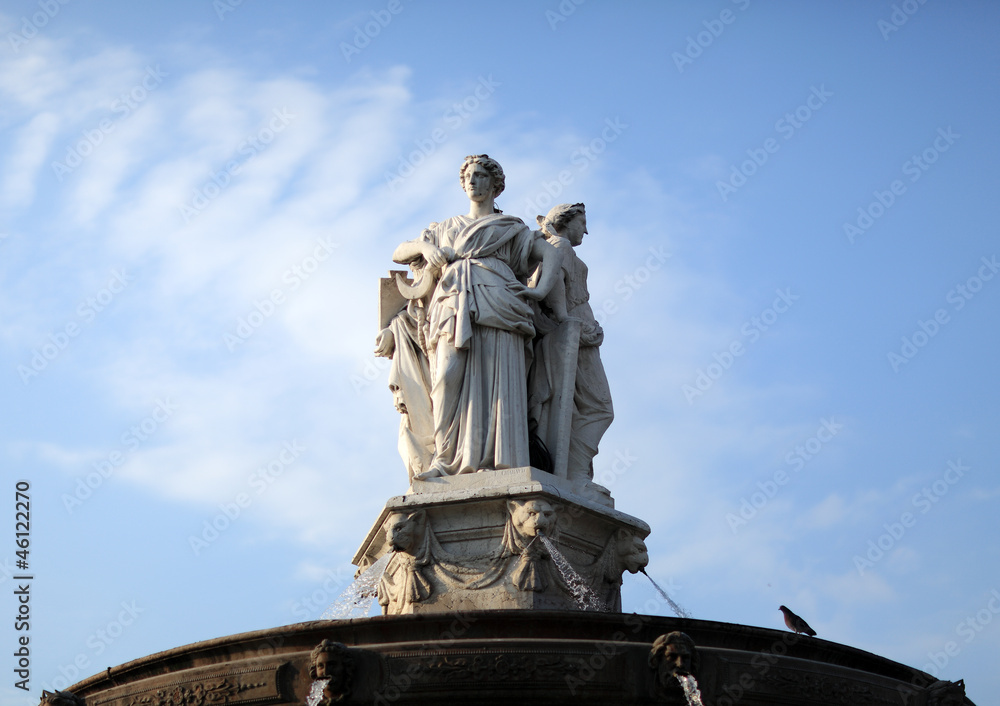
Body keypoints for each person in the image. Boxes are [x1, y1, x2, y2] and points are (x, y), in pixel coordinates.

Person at [389, 154, 562, 479]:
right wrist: (426, 250)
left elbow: (551, 252)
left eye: (481, 175)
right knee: (446, 378)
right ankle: (445, 460)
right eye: (468, 175)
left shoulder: (510, 227)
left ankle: (505, 460)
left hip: (499, 303)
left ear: (496, 185)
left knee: (499, 379)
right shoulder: (446, 228)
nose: (473, 181)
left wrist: (539, 292)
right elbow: (399, 252)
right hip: (452, 303)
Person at [529, 203, 613, 481]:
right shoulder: (561, 247)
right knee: (599, 407)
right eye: (582, 222)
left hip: (580, 332)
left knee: (588, 406)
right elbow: (554, 280)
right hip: (575, 334)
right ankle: (576, 474)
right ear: (565, 223)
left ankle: (575, 473)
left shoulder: (559, 247)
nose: (586, 230)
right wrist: (566, 319)